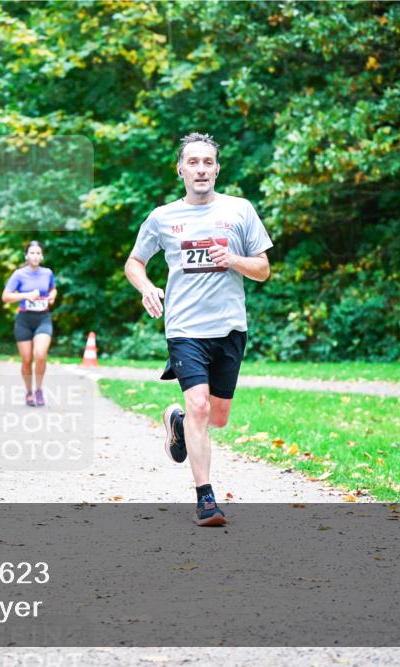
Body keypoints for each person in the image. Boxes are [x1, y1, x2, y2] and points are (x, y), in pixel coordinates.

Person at [124, 132, 273, 527]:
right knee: (200, 407)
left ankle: (176, 422)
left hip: (229, 328)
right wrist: (147, 287)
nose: (201, 169)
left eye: (208, 162)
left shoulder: (240, 210)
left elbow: (263, 269)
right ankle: (206, 499)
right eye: (193, 162)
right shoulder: (163, 217)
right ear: (181, 170)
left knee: (217, 418)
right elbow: (134, 263)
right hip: (185, 328)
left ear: (217, 169)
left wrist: (233, 259)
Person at [1, 241, 57, 407]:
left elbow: (53, 289)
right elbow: (5, 297)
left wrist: (52, 296)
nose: (35, 256)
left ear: (42, 256)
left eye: (38, 253)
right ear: (26, 256)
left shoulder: (47, 273)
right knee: (26, 360)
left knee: (40, 354)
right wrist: (25, 295)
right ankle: (29, 392)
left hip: (43, 318)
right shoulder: (19, 274)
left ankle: (38, 389)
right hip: (24, 320)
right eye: (32, 253)